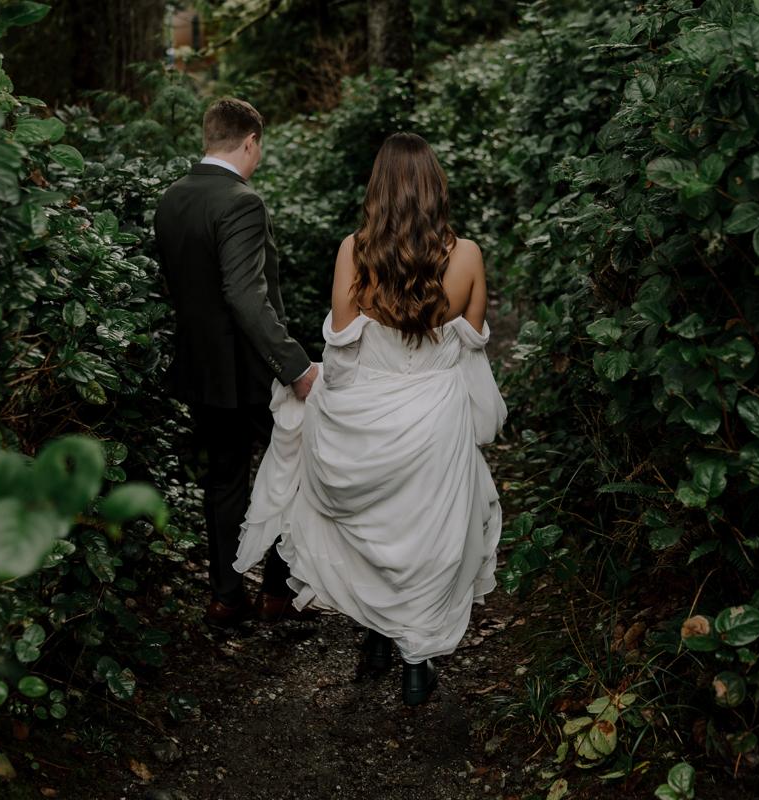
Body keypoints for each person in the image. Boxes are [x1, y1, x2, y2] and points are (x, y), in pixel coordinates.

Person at [233, 132, 507, 706]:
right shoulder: (468, 256)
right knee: (427, 538)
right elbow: (473, 344)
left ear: (377, 188)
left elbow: (341, 345)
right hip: (434, 418)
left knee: (374, 531)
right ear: (436, 187)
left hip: (367, 414)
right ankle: (415, 662)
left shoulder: (354, 252)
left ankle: (377, 639)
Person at [154, 98, 319, 628]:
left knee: (223, 480)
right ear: (250, 141)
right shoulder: (242, 202)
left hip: (200, 370)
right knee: (290, 472)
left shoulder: (173, 198)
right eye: (259, 147)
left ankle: (226, 597)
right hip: (251, 372)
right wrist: (295, 366)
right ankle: (275, 591)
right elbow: (246, 297)